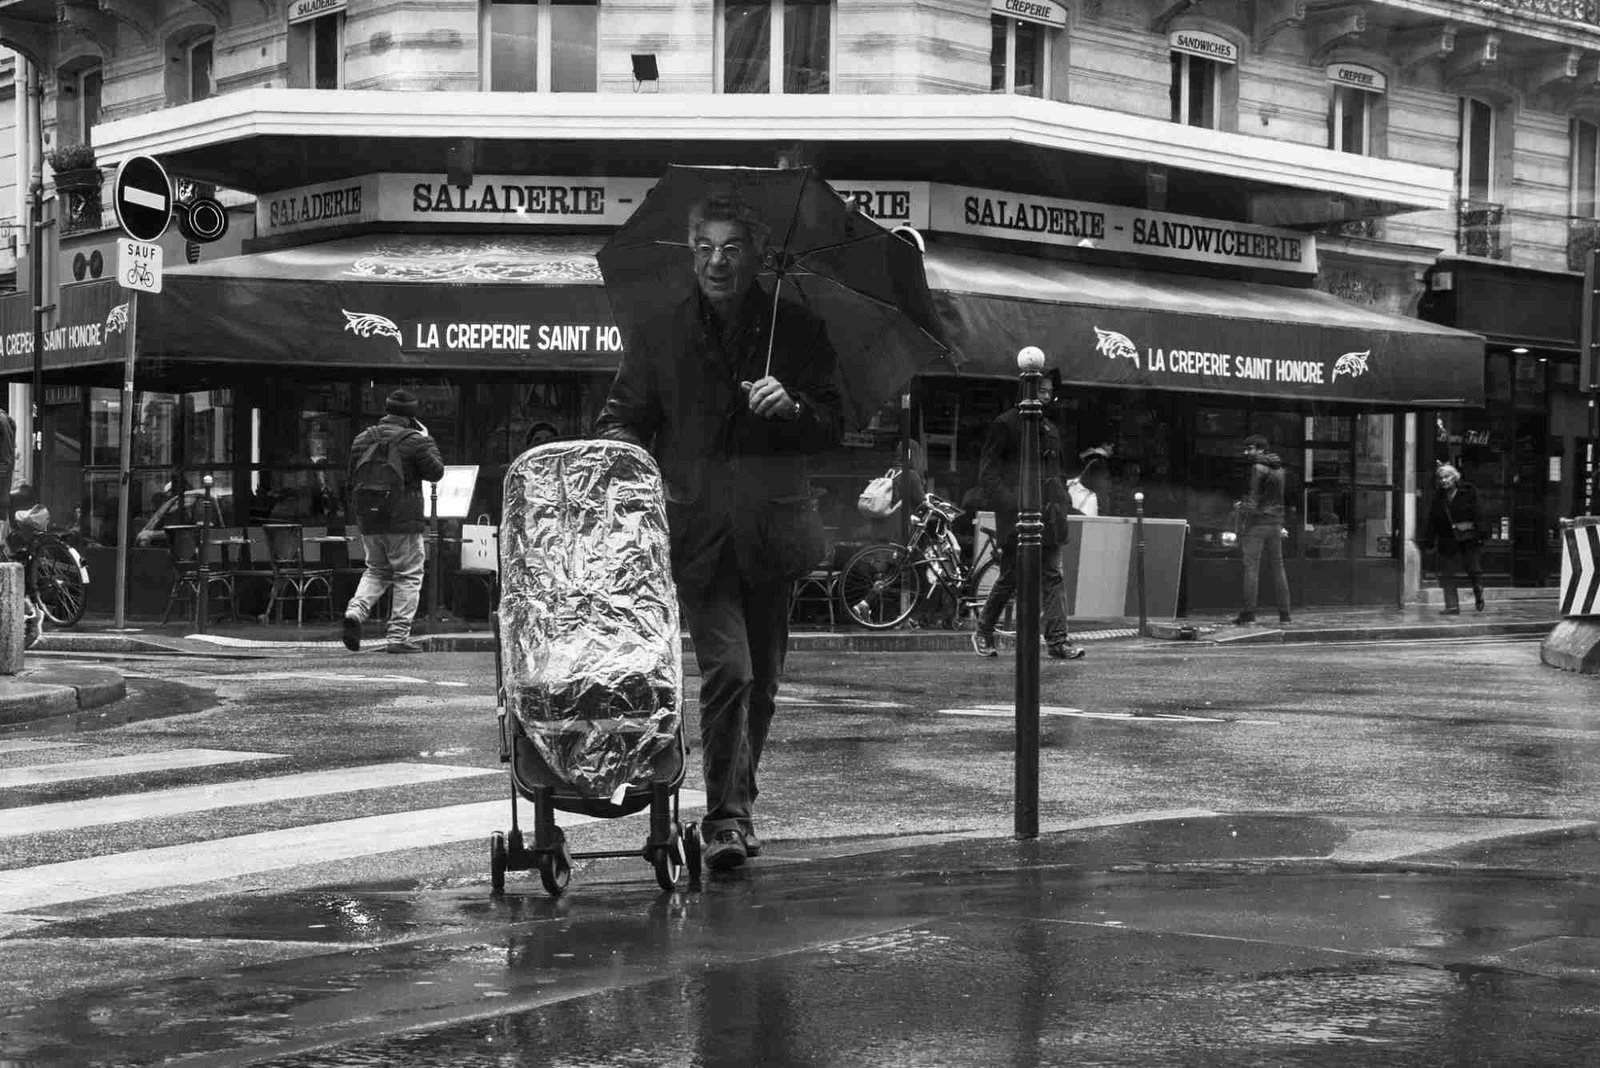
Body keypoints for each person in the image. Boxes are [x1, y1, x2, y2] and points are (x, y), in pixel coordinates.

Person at [595, 192, 845, 872]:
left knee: (762, 684)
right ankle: (727, 819)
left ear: (756, 255)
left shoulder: (797, 331)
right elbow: (620, 417)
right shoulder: (660, 332)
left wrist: (793, 406)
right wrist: (633, 460)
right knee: (730, 671)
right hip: (697, 532)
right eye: (704, 248)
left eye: (732, 248)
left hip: (775, 530)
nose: (717, 261)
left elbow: (834, 424)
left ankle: (738, 800)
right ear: (691, 254)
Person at [971, 368, 1085, 661]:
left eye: (1049, 392)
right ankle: (983, 630)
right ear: (1027, 390)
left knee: (1053, 577)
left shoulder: (1050, 429)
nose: (1046, 397)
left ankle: (1057, 641)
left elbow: (1058, 473)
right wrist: (1015, 505)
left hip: (1049, 517)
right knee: (1011, 577)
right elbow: (989, 475)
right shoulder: (1005, 425)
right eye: (1040, 390)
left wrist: (1062, 501)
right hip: (1018, 519)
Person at [341, 389, 444, 654]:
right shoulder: (416, 440)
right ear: (411, 416)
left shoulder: (363, 438)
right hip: (403, 522)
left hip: (369, 520)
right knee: (408, 575)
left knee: (376, 570)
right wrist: (428, 439)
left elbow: (351, 478)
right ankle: (398, 636)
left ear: (387, 411)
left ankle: (355, 612)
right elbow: (436, 472)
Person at [1234, 433, 1291, 625]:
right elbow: (1279, 498)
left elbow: (1253, 499)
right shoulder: (1280, 470)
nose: (1246, 452)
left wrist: (1241, 509)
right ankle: (1285, 613)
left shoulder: (1257, 468)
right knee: (1278, 568)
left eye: (1250, 448)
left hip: (1258, 524)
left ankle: (1249, 612)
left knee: (1251, 568)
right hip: (1275, 523)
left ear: (1261, 450)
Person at [1420, 463, 1485, 615]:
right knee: (1447, 573)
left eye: (1447, 477)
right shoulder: (1438, 497)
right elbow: (1432, 520)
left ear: (1454, 477)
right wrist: (1429, 541)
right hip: (1447, 539)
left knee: (1473, 569)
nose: (1444, 480)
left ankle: (1478, 591)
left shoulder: (1468, 492)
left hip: (1467, 538)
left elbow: (1478, 514)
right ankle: (1452, 606)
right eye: (1441, 478)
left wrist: (1480, 535)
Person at [1074, 437, 1116, 516]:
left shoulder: (1090, 459)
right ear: (1105, 445)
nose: (1112, 452)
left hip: (1089, 501)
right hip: (1097, 501)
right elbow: (1101, 486)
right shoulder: (1099, 461)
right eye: (1112, 448)